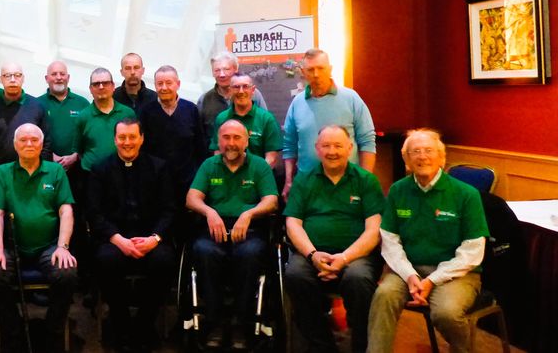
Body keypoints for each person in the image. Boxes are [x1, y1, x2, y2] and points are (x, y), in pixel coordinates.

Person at [367, 129, 489, 353]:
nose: (423, 157)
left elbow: (473, 250)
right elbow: (390, 241)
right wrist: (410, 275)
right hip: (408, 270)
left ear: (442, 158)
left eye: (429, 151)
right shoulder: (397, 190)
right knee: (383, 297)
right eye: (416, 152)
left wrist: (432, 280)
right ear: (406, 160)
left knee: (446, 312)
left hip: (457, 274)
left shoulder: (466, 194)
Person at [283, 125, 384, 353]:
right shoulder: (304, 180)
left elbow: (373, 230)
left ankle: (360, 345)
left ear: (350, 149)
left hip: (357, 256)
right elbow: (293, 223)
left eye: (338, 145)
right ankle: (322, 345)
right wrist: (312, 254)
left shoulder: (366, 180)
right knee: (295, 275)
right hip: (312, 253)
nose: (332, 151)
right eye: (326, 146)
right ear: (317, 150)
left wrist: (345, 258)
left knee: (358, 278)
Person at [0, 124, 78, 352]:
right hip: (12, 247)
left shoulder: (56, 171)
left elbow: (66, 211)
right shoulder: (2, 172)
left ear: (42, 145)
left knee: (67, 273)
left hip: (48, 247)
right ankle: (13, 331)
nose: (29, 144)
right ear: (15, 145)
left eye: (34, 140)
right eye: (23, 140)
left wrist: (63, 247)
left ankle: (52, 333)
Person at [186, 120, 279, 349]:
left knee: (250, 255)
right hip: (214, 228)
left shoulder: (259, 166)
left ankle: (241, 323)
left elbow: (272, 201)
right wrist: (209, 212)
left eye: (237, 138)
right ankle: (215, 322)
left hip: (250, 229)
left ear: (247, 140)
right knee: (204, 252)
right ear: (218, 140)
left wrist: (249, 214)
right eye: (226, 137)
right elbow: (192, 198)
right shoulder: (209, 165)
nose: (231, 143)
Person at [86, 119, 175, 352]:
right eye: (122, 137)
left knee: (164, 261)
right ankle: (120, 324)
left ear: (142, 138)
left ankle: (145, 324)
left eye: (132, 137)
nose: (127, 142)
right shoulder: (100, 169)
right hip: (114, 239)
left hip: (150, 239)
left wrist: (154, 239)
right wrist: (118, 239)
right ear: (115, 139)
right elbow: (94, 213)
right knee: (106, 260)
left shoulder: (159, 167)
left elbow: (169, 210)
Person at [282, 48, 376, 200]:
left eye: (321, 68)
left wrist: (365, 181)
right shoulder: (297, 103)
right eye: (311, 69)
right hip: (307, 186)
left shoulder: (351, 98)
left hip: (347, 184)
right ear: (303, 72)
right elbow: (289, 146)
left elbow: (367, 142)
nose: (316, 74)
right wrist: (288, 181)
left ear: (330, 69)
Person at [138, 65, 207, 205]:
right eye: (159, 83)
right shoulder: (146, 112)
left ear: (178, 84)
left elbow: (200, 147)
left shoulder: (191, 109)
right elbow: (142, 149)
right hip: (157, 182)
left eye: (168, 83)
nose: (164, 87)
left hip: (188, 182)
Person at [0, 62, 51, 192]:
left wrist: (40, 175)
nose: (12, 80)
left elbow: (47, 145)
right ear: (0, 79)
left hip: (33, 177)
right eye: (7, 76)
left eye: (17, 75)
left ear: (23, 78)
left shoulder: (38, 107)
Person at [210, 74, 281, 169]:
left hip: (258, 180)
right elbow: (218, 153)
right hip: (229, 179)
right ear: (230, 90)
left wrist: (253, 178)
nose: (241, 91)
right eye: (236, 87)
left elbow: (272, 158)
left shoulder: (267, 119)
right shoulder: (221, 119)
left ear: (253, 90)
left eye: (245, 86)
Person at [196, 52, 268, 141]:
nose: (222, 74)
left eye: (226, 69)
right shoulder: (204, 100)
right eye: (217, 70)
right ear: (212, 73)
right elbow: (199, 135)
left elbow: (266, 126)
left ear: (236, 69)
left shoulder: (253, 95)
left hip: (251, 153)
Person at [36, 60, 90, 174]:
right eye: (54, 74)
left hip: (78, 168)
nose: (59, 77)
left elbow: (89, 134)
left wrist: (75, 156)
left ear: (68, 77)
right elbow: (33, 135)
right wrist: (49, 155)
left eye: (62, 74)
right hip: (46, 167)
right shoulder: (36, 104)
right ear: (46, 78)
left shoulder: (83, 103)